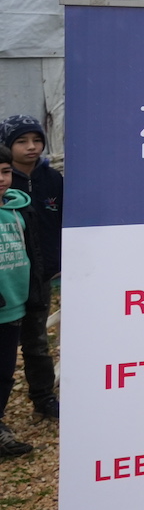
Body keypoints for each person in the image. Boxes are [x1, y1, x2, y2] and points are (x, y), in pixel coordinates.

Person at [2, 116, 59, 419]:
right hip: (9, 277)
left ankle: (44, 397)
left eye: (36, 140)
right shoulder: (6, 185)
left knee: (37, 342)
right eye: (22, 141)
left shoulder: (52, 179)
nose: (31, 147)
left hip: (42, 277)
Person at [0, 161, 38, 457]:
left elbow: (32, 251)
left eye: (4, 171)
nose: (1, 179)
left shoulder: (20, 208)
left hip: (14, 305)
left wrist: (34, 290)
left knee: (5, 371)